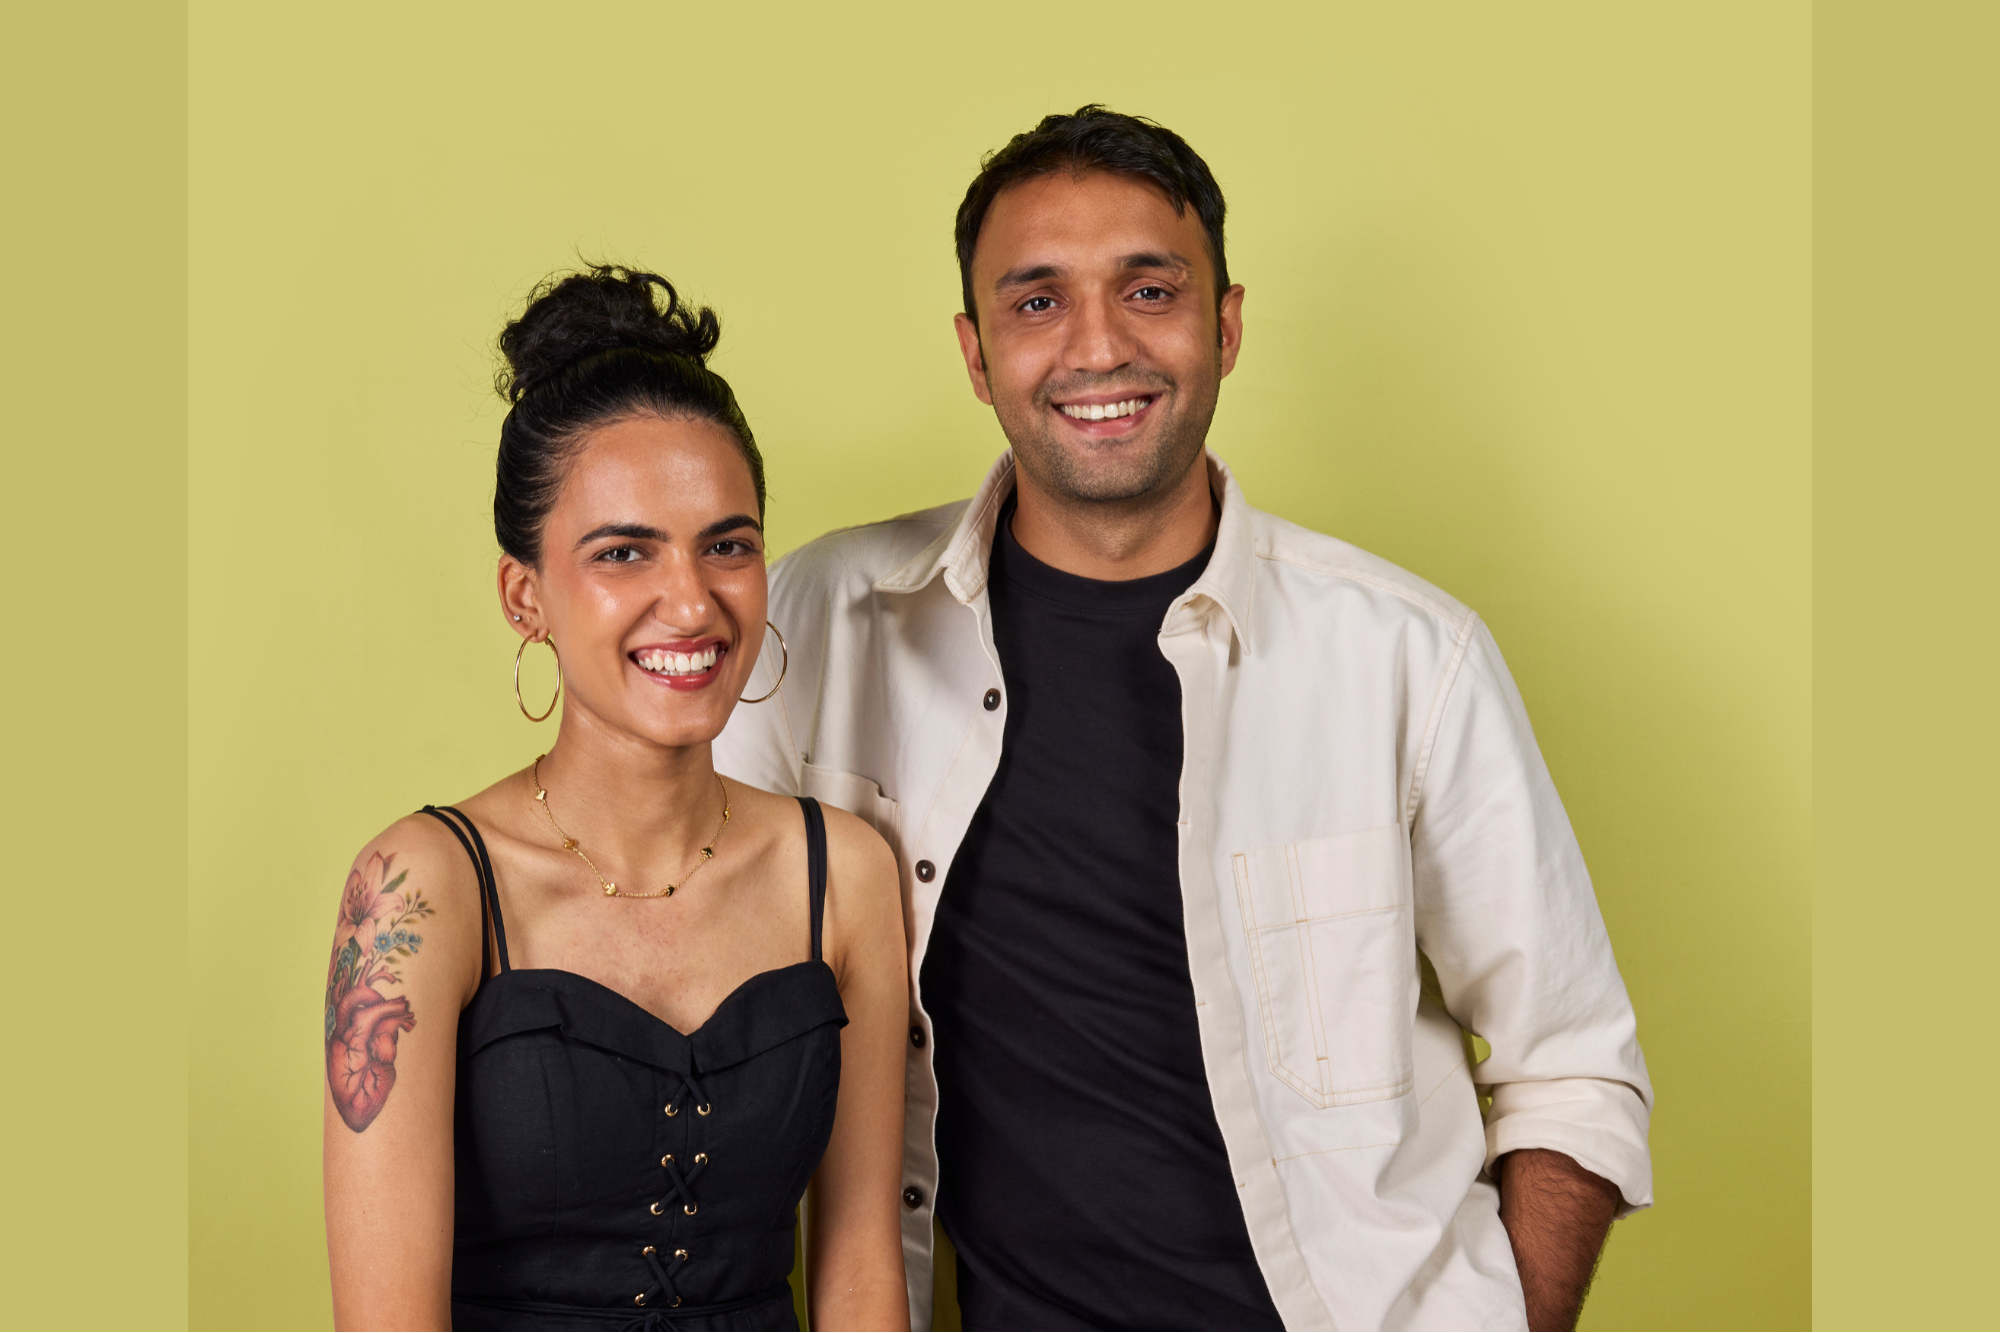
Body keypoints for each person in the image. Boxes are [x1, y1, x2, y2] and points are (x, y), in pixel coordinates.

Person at [713, 108, 1654, 1332]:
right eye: (1037, 301)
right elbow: (678, 937)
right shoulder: (823, 623)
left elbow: (1571, 1068)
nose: (1098, 346)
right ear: (974, 352)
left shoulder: (1407, 657)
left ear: (1226, 325)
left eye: (1148, 290)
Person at [322, 267, 911, 1332]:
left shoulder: (845, 873)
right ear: (526, 597)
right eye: (623, 552)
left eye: (726, 545)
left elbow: (861, 1270)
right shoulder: (420, 888)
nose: (690, 602)